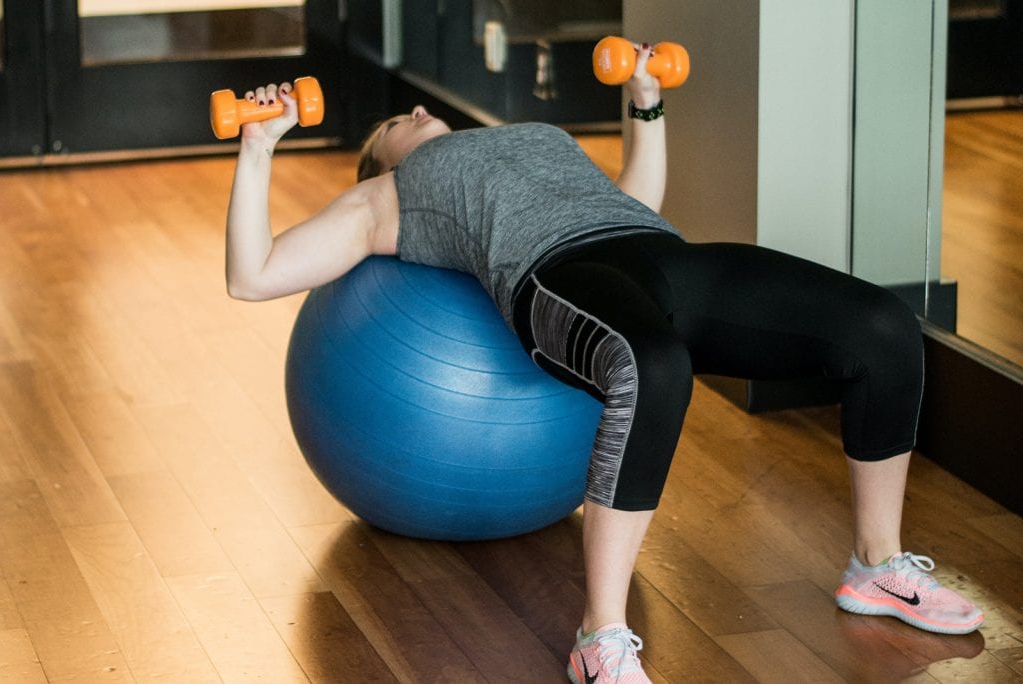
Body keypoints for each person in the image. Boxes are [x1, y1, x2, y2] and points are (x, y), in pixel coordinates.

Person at [225, 44, 984, 684]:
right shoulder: (386, 198)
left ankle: (876, 567)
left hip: (659, 254)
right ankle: (601, 639)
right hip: (555, 277)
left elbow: (636, 196)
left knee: (881, 326)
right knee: (652, 368)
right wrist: (259, 147)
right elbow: (252, 275)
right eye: (396, 122)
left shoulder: (531, 137)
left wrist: (645, 101)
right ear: (378, 160)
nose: (416, 114)